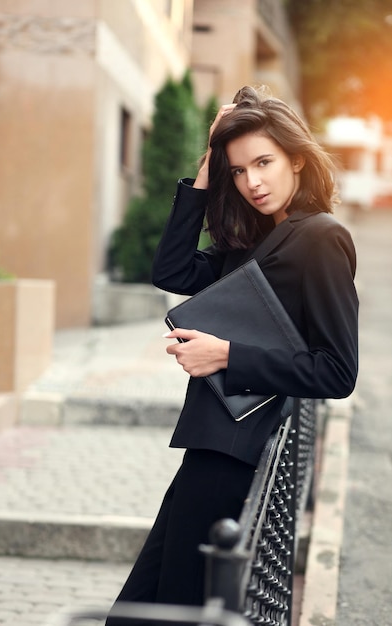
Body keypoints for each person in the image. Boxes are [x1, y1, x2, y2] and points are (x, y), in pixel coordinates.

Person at [105, 85, 358, 621]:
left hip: (237, 457)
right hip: (213, 445)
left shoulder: (321, 239)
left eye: (263, 162)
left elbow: (337, 370)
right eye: (239, 171)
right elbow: (171, 272)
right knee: (138, 611)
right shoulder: (254, 240)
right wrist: (204, 175)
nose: (253, 182)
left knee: (172, 608)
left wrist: (225, 355)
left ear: (296, 157)